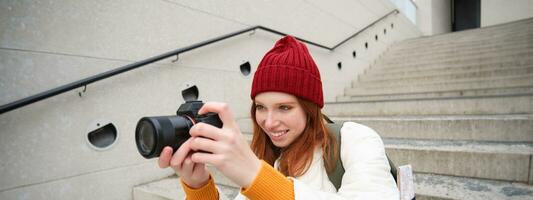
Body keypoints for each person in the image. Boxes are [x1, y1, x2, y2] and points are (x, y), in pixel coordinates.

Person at [158, 35, 399, 199]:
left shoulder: (355, 138)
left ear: (309, 107)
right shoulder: (266, 158)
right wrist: (199, 186)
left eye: (284, 107)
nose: (269, 122)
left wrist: (257, 177)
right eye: (261, 107)